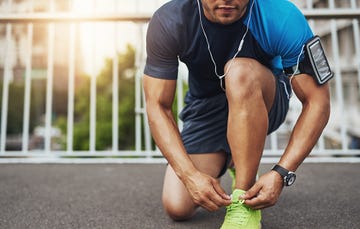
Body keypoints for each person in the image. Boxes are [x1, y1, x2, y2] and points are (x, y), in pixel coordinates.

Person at [143, 0, 331, 228]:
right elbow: (158, 105)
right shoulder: (170, 20)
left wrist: (282, 173)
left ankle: (244, 200)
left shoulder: (281, 16)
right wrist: (190, 175)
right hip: (206, 108)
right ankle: (234, 159)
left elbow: (317, 101)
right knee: (177, 205)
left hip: (262, 94)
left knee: (238, 72)